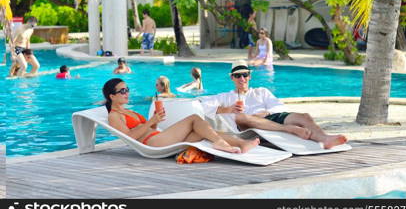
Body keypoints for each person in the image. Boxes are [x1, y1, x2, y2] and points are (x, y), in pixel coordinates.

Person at [199, 60, 348, 149]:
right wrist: (228, 109)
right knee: (242, 117)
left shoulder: (261, 92)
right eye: (238, 75)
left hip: (269, 120)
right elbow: (202, 105)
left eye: (245, 75)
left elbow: (279, 107)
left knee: (304, 116)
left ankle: (325, 139)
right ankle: (289, 129)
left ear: (249, 76)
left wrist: (266, 113)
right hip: (246, 128)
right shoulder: (225, 97)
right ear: (232, 78)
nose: (242, 78)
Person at [102, 78, 260, 153]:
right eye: (122, 91)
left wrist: (156, 121)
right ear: (112, 96)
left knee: (201, 132)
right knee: (194, 118)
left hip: (160, 136)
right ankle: (221, 143)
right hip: (153, 143)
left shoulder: (129, 111)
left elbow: (149, 127)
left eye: (127, 89)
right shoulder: (114, 116)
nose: (127, 93)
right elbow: (130, 136)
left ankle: (240, 143)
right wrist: (151, 121)